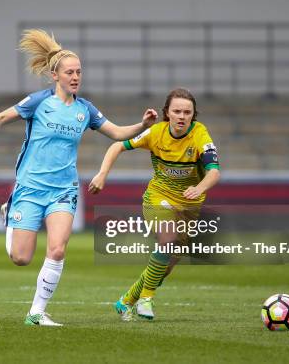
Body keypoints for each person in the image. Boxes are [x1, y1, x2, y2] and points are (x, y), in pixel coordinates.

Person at [0, 29, 158, 326]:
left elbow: (117, 133)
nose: (75, 77)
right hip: (30, 188)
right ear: (55, 75)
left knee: (58, 249)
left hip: (63, 190)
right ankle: (11, 214)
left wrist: (143, 124)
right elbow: (1, 118)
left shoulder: (86, 110)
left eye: (79, 72)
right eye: (69, 72)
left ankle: (36, 312)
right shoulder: (38, 102)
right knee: (20, 258)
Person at [88, 87, 221, 321]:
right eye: (177, 111)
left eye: (187, 112)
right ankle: (146, 300)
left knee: (166, 265)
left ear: (193, 115)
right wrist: (102, 174)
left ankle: (126, 300)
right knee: (167, 239)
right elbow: (117, 145)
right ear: (167, 113)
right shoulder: (155, 133)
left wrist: (199, 188)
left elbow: (214, 172)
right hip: (158, 197)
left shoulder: (200, 135)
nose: (182, 116)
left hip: (189, 206)